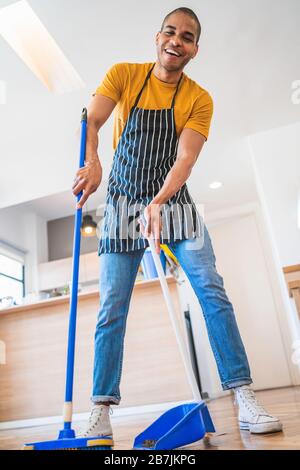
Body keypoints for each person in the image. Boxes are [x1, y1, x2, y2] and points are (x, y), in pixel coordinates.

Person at [72, 7, 282, 438]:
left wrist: (160, 203)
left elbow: (185, 159)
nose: (176, 41)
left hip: (174, 201)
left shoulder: (198, 98)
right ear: (157, 37)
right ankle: (101, 411)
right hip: (120, 204)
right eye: (171, 32)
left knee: (211, 290)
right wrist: (93, 162)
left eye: (186, 37)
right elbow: (91, 119)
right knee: (111, 309)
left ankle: (243, 395)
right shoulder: (124, 74)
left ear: (194, 50)